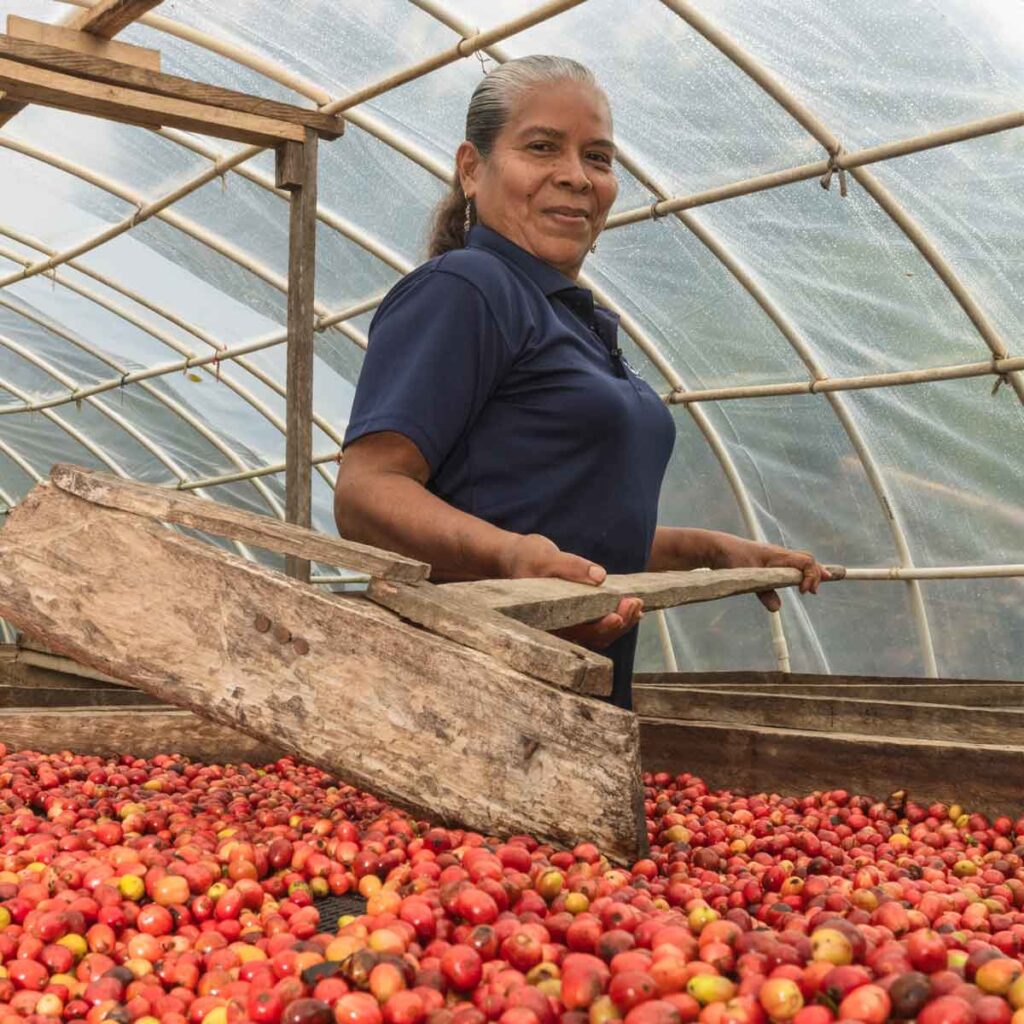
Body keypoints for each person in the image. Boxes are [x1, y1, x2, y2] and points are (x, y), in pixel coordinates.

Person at [335, 55, 828, 709]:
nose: (575, 176)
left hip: (569, 708)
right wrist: (515, 562)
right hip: (473, 704)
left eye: (597, 158)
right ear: (472, 168)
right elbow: (367, 494)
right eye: (542, 147)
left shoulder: (576, 320)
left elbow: (565, 530)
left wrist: (705, 552)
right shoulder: (467, 289)